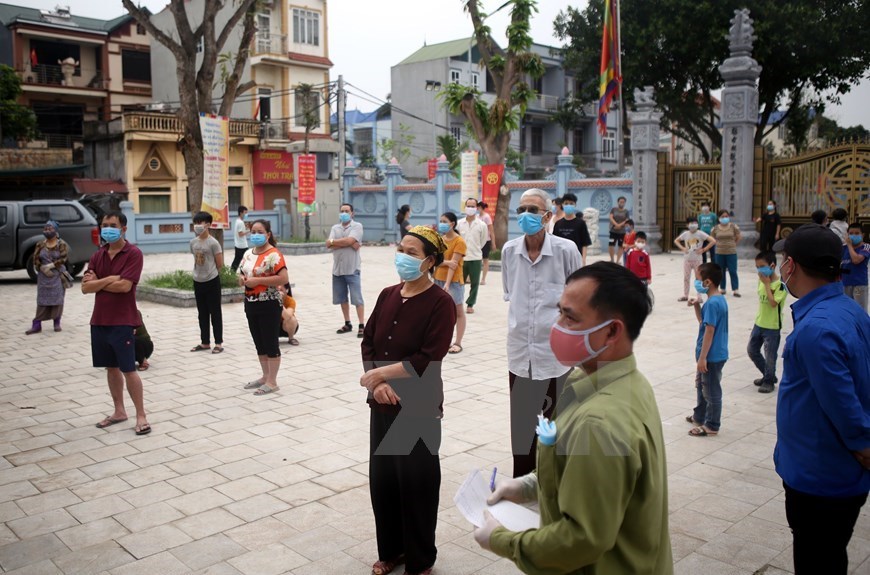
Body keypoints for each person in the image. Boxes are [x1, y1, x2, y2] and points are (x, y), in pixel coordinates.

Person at [473, 262, 672, 574]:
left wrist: (502, 540)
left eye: (570, 317)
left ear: (612, 331)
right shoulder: (613, 381)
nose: (557, 325)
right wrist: (526, 486)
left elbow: (580, 538)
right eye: (559, 312)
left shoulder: (599, 423)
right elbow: (580, 471)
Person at [771, 224, 870, 575]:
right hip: (831, 472)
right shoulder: (849, 310)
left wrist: (862, 443)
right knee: (830, 555)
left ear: (792, 266)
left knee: (818, 559)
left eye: (783, 260)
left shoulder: (817, 330)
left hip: (821, 476)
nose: (781, 267)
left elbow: (842, 403)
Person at [360, 225, 455, 575]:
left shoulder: (441, 303)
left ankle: (420, 558)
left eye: (412, 253)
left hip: (418, 406)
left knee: (417, 482)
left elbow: (429, 356)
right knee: (383, 479)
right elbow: (368, 341)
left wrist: (382, 375)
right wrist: (376, 384)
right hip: (382, 402)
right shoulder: (387, 294)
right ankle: (392, 551)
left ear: (429, 261)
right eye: (401, 249)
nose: (403, 256)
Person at [502, 188, 582, 477]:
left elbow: (579, 298)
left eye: (532, 210)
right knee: (522, 428)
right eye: (521, 210)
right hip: (520, 354)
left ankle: (554, 483)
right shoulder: (509, 251)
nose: (525, 216)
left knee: (555, 425)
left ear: (548, 216)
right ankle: (522, 484)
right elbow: (511, 294)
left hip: (556, 355)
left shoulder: (565, 251)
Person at [81, 211, 150, 436]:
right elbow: (84, 288)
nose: (107, 228)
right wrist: (110, 279)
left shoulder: (133, 254)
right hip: (99, 320)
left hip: (123, 320)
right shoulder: (98, 255)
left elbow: (125, 287)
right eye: (104, 225)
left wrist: (99, 283)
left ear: (123, 229)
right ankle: (119, 411)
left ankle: (141, 415)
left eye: (112, 225)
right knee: (111, 368)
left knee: (129, 369)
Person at [238, 220, 289, 396]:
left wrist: (259, 280)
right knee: (259, 342)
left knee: (270, 342)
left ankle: (273, 381)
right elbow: (241, 273)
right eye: (253, 231)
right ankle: (265, 376)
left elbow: (283, 278)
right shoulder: (247, 254)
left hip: (269, 303)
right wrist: (242, 280)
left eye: (260, 231)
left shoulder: (274, 255)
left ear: (268, 234)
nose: (256, 234)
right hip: (250, 302)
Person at [686, 263, 728, 437]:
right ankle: (700, 415)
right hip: (710, 354)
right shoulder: (717, 300)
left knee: (711, 390)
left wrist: (703, 358)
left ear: (708, 282)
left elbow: (710, 331)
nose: (696, 282)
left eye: (698, 279)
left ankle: (712, 425)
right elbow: (704, 323)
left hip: (711, 355)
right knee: (701, 385)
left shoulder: (712, 303)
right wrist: (697, 306)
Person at [747, 251, 787, 394]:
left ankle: (769, 381)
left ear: (772, 266)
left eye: (762, 266)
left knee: (770, 356)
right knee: (752, 350)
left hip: (772, 326)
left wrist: (767, 284)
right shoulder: (761, 280)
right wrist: (764, 282)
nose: (759, 270)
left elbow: (772, 303)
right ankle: (768, 374)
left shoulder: (781, 285)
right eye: (757, 267)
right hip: (759, 322)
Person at [328, 203, 365, 337]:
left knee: (357, 298)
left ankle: (361, 325)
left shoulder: (357, 226)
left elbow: (348, 241)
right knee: (342, 298)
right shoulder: (335, 227)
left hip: (352, 268)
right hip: (337, 270)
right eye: (342, 211)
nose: (344, 213)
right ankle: (347, 322)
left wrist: (336, 242)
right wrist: (348, 243)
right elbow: (328, 243)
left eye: (347, 211)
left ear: (352, 213)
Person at [189, 211, 224, 354]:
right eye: (196, 223)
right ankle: (204, 342)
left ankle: (218, 343)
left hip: (212, 280)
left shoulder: (214, 243)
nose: (198, 226)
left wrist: (210, 273)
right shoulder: (193, 242)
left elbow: (220, 264)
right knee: (202, 312)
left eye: (201, 223)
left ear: (208, 224)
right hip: (198, 280)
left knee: (215, 312)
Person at [26, 220, 69, 335]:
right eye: (45, 229)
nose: (48, 231)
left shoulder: (62, 244)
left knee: (57, 299)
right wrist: (41, 268)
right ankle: (36, 325)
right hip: (43, 276)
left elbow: (64, 259)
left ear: (56, 230)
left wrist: (52, 266)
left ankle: (56, 322)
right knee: (42, 300)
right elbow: (35, 258)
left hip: (57, 275)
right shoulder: (40, 244)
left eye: (50, 229)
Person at [434, 212, 466, 354]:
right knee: (442, 313)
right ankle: (443, 340)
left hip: (453, 281)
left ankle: (458, 342)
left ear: (452, 224)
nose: (441, 223)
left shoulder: (459, 242)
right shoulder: (440, 240)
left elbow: (454, 266)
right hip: (438, 279)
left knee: (458, 311)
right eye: (440, 220)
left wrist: (447, 284)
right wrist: (444, 262)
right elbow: (435, 261)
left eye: (444, 221)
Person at [457, 197, 488, 315]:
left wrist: (476, 249)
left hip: (475, 258)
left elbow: (483, 241)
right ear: (465, 207)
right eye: (468, 206)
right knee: (460, 283)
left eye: (472, 206)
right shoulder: (459, 224)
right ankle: (458, 303)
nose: (470, 208)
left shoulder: (482, 225)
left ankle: (470, 304)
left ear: (477, 208)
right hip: (461, 258)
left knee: (475, 283)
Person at [674, 216, 716, 302]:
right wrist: (682, 248)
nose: (693, 225)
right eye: (691, 223)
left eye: (695, 223)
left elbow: (713, 241)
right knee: (686, 278)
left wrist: (703, 250)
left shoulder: (700, 233)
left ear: (697, 224)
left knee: (699, 278)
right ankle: (685, 295)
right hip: (687, 259)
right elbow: (676, 241)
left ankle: (699, 297)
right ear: (687, 225)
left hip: (697, 260)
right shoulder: (685, 234)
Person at [552, 192, 592, 266]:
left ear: (575, 205)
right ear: (562, 205)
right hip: (561, 259)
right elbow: (554, 243)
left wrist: (583, 260)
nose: (568, 205)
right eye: (566, 203)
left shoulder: (581, 223)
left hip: (576, 259)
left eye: (571, 203)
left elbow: (585, 244)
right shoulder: (558, 224)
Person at [711, 209, 741, 296]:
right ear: (719, 218)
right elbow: (712, 238)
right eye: (722, 216)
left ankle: (735, 289)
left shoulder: (733, 226)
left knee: (733, 270)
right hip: (719, 252)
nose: (725, 218)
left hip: (731, 252)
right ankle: (722, 288)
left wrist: (733, 243)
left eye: (726, 216)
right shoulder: (715, 228)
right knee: (721, 271)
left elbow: (739, 236)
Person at [841, 223, 870, 311]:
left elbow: (856, 260)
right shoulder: (842, 248)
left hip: (859, 284)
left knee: (859, 310)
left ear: (863, 235)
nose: (854, 235)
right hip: (845, 284)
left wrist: (849, 245)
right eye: (851, 233)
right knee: (846, 310)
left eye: (857, 233)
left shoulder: (866, 247)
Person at [478, 201, 497, 285]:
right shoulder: (477, 217)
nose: (476, 209)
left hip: (486, 241)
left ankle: (483, 279)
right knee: (476, 259)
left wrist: (493, 243)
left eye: (477, 207)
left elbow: (491, 231)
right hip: (477, 241)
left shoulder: (487, 217)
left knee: (485, 260)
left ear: (481, 207)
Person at [608, 196, 630, 263]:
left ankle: (617, 261)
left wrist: (619, 225)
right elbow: (611, 217)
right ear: (618, 202)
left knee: (620, 246)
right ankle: (612, 259)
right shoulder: (614, 209)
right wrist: (616, 225)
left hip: (622, 231)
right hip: (613, 230)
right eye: (620, 202)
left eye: (623, 202)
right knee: (611, 245)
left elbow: (627, 220)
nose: (622, 203)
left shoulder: (626, 211)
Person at [230, 205, 249, 271]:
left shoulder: (237, 221)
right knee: (245, 260)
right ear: (241, 213)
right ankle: (242, 273)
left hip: (238, 244)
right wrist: (249, 231)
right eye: (245, 212)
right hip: (242, 245)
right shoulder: (240, 222)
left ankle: (232, 273)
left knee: (237, 260)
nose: (246, 214)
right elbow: (240, 234)